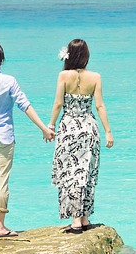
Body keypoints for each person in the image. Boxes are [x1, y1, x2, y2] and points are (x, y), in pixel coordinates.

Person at [0, 41, 53, 238]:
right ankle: (0, 226)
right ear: (1, 60)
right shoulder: (9, 81)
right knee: (1, 180)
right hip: (4, 137)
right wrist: (43, 128)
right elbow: (25, 105)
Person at [48, 38, 114, 234]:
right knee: (87, 172)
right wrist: (108, 131)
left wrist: (51, 125)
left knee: (70, 171)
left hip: (69, 127)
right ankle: (84, 217)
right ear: (85, 56)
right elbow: (100, 105)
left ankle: (75, 220)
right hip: (88, 126)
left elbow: (58, 104)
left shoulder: (63, 76)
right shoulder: (95, 77)